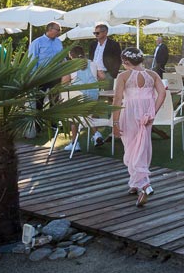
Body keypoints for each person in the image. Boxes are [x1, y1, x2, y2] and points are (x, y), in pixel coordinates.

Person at [111, 48, 167, 207]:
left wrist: (115, 123)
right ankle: (135, 183)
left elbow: (117, 99)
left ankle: (145, 185)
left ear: (126, 62)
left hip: (129, 112)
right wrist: (152, 112)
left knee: (130, 148)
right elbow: (162, 94)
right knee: (141, 147)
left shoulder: (123, 76)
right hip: (146, 114)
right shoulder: (153, 74)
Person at [60, 45, 100, 152]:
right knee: (88, 115)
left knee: (74, 117)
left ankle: (74, 143)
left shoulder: (71, 65)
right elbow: (103, 76)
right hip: (93, 95)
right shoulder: (93, 63)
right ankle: (96, 135)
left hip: (78, 95)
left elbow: (64, 82)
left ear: (71, 55)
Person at [28, 22, 64, 136]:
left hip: (56, 76)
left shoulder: (59, 42)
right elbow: (32, 60)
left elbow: (62, 58)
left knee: (55, 100)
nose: (60, 32)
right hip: (41, 76)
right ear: (50, 29)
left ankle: (53, 123)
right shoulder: (37, 42)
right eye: (58, 30)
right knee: (39, 101)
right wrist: (34, 77)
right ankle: (38, 125)